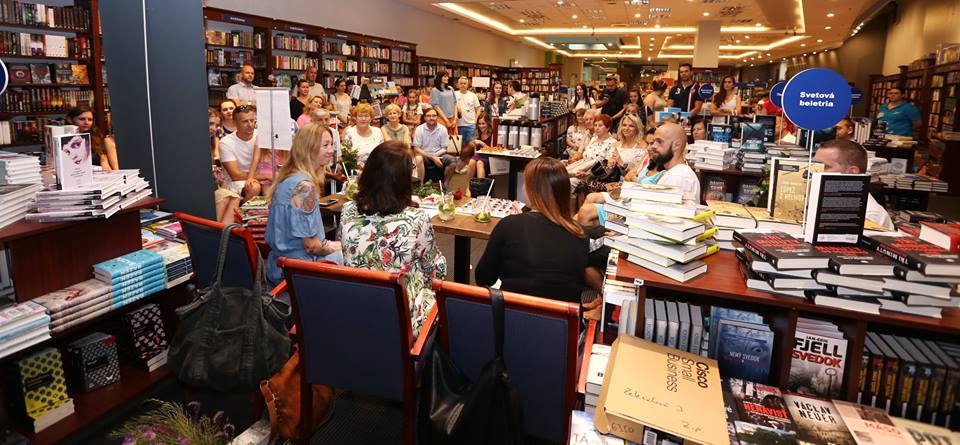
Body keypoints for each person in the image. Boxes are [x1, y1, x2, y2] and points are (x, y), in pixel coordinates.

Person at [339, 142, 447, 338]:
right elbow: (432, 270)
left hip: (356, 307)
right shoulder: (417, 219)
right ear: (402, 180)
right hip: (403, 318)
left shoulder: (347, 211)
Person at [475, 157, 588, 303]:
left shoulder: (509, 225)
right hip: (562, 316)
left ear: (532, 190)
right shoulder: (580, 233)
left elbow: (483, 278)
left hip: (513, 312)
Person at [265, 123, 342, 285]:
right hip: (299, 271)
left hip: (278, 264)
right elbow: (311, 246)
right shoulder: (305, 187)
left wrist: (331, 244)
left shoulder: (287, 179)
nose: (331, 150)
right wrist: (337, 248)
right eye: (325, 145)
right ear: (308, 148)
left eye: (331, 145)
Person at [813, 139, 894, 230]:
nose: (814, 171)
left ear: (852, 172)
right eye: (814, 165)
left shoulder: (869, 216)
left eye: (825, 166)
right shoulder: (825, 200)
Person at [218, 105, 262, 200]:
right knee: (254, 187)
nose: (250, 125)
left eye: (252, 120)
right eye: (245, 121)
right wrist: (267, 176)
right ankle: (243, 209)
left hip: (258, 176)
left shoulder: (261, 135)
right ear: (235, 122)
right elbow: (235, 176)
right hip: (236, 182)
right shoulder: (226, 142)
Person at [567, 114, 618, 195]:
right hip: (582, 168)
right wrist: (574, 161)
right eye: (595, 125)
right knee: (559, 177)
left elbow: (607, 166)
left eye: (600, 125)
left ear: (608, 127)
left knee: (569, 182)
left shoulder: (613, 143)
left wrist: (588, 174)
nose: (597, 128)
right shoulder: (593, 139)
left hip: (594, 175)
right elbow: (584, 156)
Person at [209, 109, 240, 224]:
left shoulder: (211, 143)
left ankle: (224, 232)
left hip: (213, 187)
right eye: (210, 123)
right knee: (225, 196)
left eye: (216, 125)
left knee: (234, 197)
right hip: (201, 189)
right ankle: (214, 230)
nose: (214, 128)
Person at [413, 108, 457, 186]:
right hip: (424, 155)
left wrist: (435, 156)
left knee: (452, 161)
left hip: (440, 154)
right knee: (418, 158)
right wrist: (433, 157)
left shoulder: (442, 129)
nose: (431, 118)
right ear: (424, 118)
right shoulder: (419, 129)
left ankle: (446, 184)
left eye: (434, 116)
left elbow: (445, 148)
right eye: (428, 116)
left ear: (437, 117)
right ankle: (420, 185)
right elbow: (416, 148)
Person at [67, 105, 118, 170]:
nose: (86, 122)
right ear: (70, 120)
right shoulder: (63, 138)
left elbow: (105, 163)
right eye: (82, 119)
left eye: (90, 120)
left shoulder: (96, 137)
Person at [465, 111, 494, 182]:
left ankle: (481, 187)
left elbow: (493, 150)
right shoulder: (478, 133)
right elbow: (475, 151)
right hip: (479, 155)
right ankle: (469, 186)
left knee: (479, 163)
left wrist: (482, 143)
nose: (481, 126)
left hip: (489, 157)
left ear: (488, 123)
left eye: (483, 123)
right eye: (479, 124)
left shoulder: (492, 134)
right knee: (471, 161)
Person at [454, 76, 482, 144]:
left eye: (464, 83)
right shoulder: (454, 94)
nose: (463, 85)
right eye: (461, 83)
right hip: (458, 124)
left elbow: (478, 108)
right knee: (459, 145)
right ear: (458, 84)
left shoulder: (473, 95)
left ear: (468, 85)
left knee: (471, 144)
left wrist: (476, 119)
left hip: (470, 124)